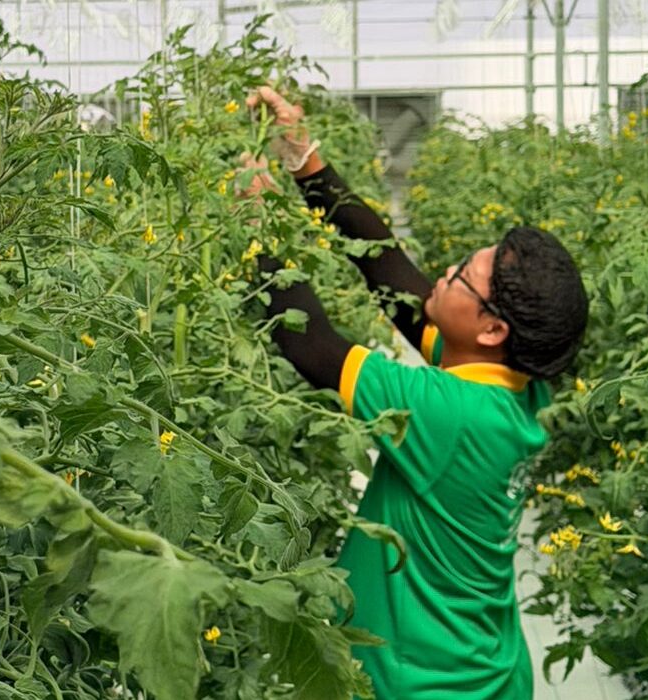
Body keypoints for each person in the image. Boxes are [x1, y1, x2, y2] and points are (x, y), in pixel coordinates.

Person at [239, 86, 589, 699]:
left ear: (491, 329)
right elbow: (393, 278)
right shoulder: (510, 388)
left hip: (426, 685)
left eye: (463, 276)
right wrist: (305, 162)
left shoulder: (452, 416)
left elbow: (310, 345)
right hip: (484, 672)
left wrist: (258, 226)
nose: (445, 273)